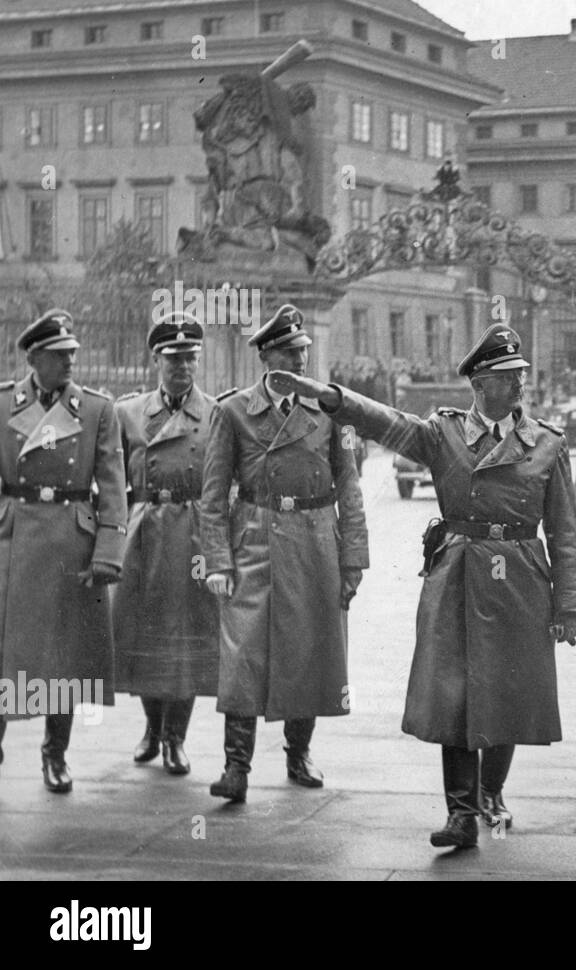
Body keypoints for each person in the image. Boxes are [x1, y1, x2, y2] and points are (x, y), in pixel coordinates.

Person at [268, 323, 576, 850]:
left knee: (508, 690)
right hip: (457, 576)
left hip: (522, 578)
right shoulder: (444, 435)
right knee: (455, 697)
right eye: (510, 376)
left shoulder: (548, 443)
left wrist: (568, 605)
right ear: (481, 383)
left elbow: (566, 531)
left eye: (521, 374)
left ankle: (490, 794)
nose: (522, 382)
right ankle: (460, 814)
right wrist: (330, 397)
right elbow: (386, 423)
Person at [198, 304, 368, 803]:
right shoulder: (232, 412)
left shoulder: (331, 413)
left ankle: (299, 754)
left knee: (310, 650)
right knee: (243, 652)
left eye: (305, 353)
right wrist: (217, 562)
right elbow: (212, 496)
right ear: (268, 358)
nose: (302, 362)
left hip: (316, 541)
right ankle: (236, 767)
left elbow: (350, 487)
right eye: (292, 353)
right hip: (254, 538)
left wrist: (353, 558)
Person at [0, 309, 128, 792]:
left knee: (64, 657)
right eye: (59, 355)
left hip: (71, 540)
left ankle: (55, 754)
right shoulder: (3, 404)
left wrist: (108, 551)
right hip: (14, 537)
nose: (70, 361)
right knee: (3, 652)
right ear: (34, 358)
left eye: (72, 353)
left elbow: (114, 486)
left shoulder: (96, 410)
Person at [113, 313, 221, 776]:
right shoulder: (129, 413)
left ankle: (176, 738)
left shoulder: (216, 413)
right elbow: (112, 480)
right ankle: (151, 729)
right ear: (156, 359)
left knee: (187, 641)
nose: (183, 368)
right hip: (143, 531)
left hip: (192, 533)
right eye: (174, 359)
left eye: (190, 359)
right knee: (141, 634)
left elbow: (223, 484)